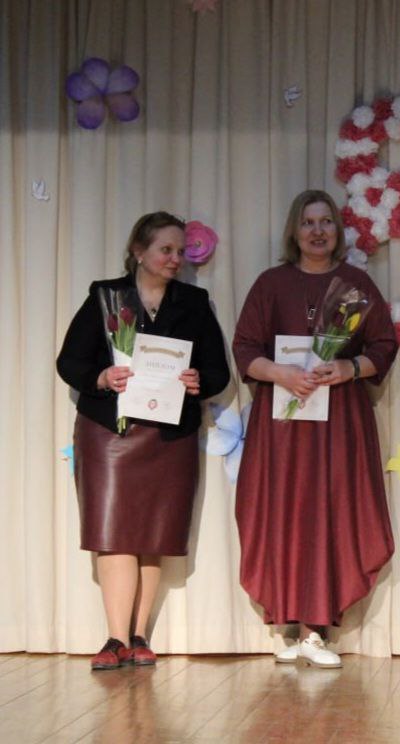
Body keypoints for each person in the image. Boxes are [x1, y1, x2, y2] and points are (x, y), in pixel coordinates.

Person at [57, 211, 230, 670]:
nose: (175, 259)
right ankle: (114, 638)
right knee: (113, 532)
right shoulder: (106, 296)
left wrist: (198, 380)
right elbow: (69, 361)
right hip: (109, 431)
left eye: (180, 251)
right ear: (139, 251)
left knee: (154, 534)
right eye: (165, 250)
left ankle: (138, 636)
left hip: (169, 436)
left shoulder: (194, 302)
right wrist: (101, 377)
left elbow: (218, 372)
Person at [232, 190, 397, 669]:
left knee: (330, 509)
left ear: (337, 230)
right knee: (285, 509)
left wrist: (349, 368)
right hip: (283, 426)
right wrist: (280, 373)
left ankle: (316, 631)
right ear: (294, 230)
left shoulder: (356, 283)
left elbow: (384, 346)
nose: (318, 231)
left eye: (326, 222)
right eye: (308, 222)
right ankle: (291, 623)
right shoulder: (271, 284)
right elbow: (244, 348)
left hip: (338, 423)